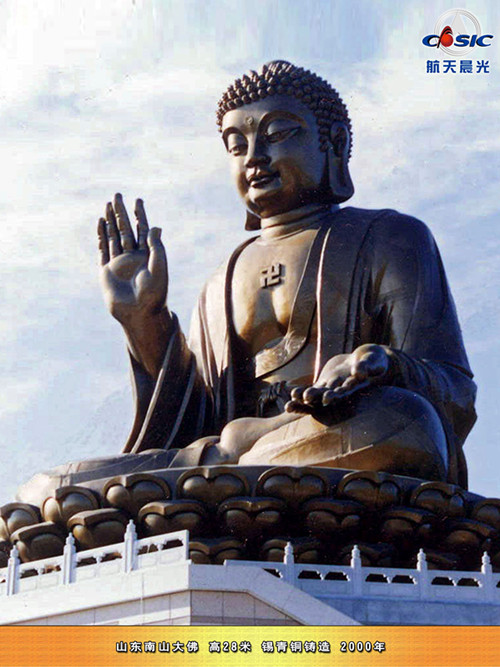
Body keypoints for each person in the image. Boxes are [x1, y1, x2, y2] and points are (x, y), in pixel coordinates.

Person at [18, 61, 476, 507]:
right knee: (49, 486)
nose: (254, 156)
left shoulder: (391, 237)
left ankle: (221, 484)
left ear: (334, 144)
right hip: (230, 457)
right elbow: (196, 419)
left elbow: (454, 391)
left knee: (405, 422)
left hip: (336, 436)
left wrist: (378, 363)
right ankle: (232, 479)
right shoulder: (222, 280)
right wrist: (145, 321)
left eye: (277, 134)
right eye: (237, 145)